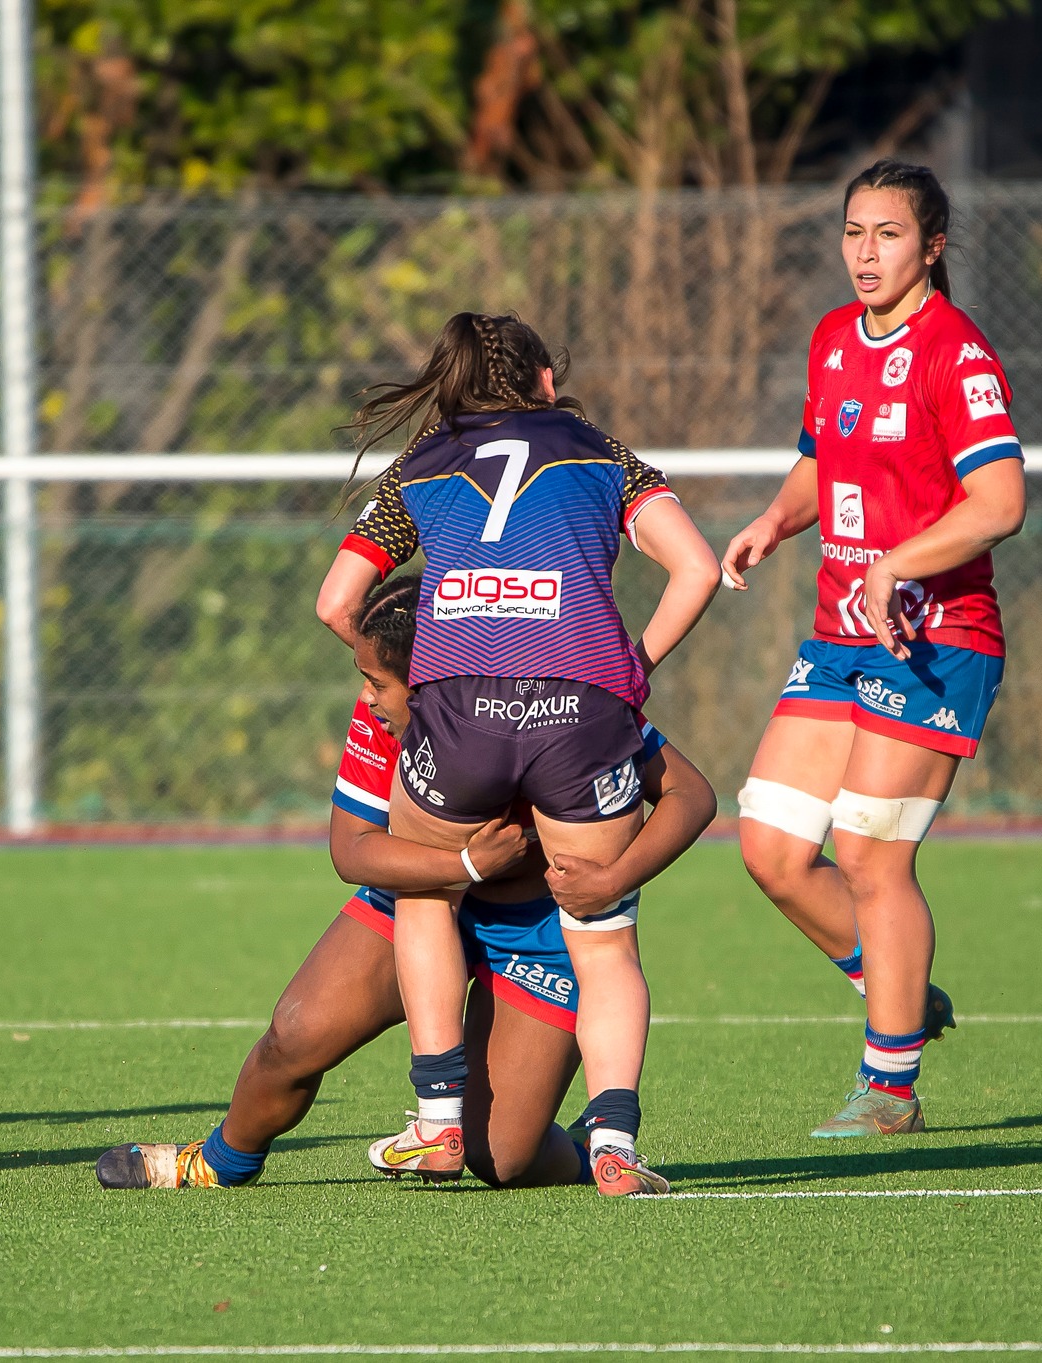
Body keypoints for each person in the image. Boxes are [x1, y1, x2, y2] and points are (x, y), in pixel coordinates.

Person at [94, 573, 716, 1191]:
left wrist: (614, 877)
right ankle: (218, 1161)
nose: (366, 700)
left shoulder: (561, 708)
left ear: (428, 684)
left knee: (502, 1158)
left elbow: (691, 794)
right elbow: (353, 849)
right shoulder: (382, 724)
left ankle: (588, 1151)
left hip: (539, 931)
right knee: (296, 1034)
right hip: (421, 901)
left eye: (376, 682)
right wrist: (465, 867)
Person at [317, 313, 720, 1195]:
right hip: (584, 705)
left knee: (426, 885)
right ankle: (613, 1140)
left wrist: (410, 677)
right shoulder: (601, 450)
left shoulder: (423, 461)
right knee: (603, 942)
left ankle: (436, 1120)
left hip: (458, 706)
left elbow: (335, 601)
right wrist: (631, 669)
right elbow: (695, 567)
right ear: (545, 381)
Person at [720, 160, 1026, 1138]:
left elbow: (998, 503)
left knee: (867, 853)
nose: (864, 253)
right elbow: (823, 458)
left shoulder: (956, 354)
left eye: (887, 234)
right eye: (853, 232)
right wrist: (772, 520)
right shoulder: (830, 340)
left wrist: (897, 564)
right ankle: (896, 989)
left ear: (930, 245)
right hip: (839, 633)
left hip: (935, 637)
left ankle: (888, 1086)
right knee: (768, 847)